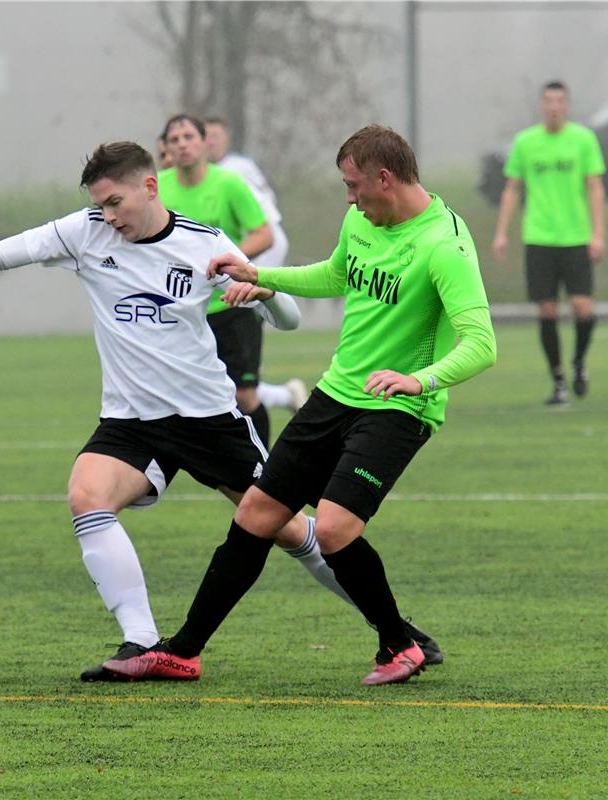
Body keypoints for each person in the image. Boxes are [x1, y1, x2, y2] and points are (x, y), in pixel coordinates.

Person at [0, 141, 413, 680]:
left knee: (286, 529)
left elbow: (291, 319)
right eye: (100, 206)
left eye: (115, 202)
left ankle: (395, 631)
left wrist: (264, 294)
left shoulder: (203, 244)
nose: (108, 216)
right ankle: (138, 640)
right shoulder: (84, 232)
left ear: (150, 186)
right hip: (131, 423)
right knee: (86, 495)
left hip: (210, 420)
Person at [144, 124, 497, 686]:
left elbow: (482, 343)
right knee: (256, 514)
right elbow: (334, 274)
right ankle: (182, 650)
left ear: (386, 178)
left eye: (354, 185)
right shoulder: (361, 219)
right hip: (335, 394)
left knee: (331, 528)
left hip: (395, 408)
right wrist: (260, 274)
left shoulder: (444, 244)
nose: (349, 198)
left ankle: (398, 646)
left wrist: (420, 381)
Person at [158, 114, 296, 444]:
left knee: (245, 396)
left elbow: (265, 234)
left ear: (204, 143)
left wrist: (229, 260)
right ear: (166, 148)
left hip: (234, 305)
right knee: (185, 399)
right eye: (174, 140)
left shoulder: (229, 183)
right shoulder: (158, 188)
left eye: (188, 136)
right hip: (185, 311)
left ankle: (264, 468)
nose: (182, 144)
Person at [492, 80, 606, 406]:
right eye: (548, 101)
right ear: (542, 106)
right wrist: (502, 232)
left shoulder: (583, 140)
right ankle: (558, 381)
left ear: (567, 106)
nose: (554, 106)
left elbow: (595, 187)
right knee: (547, 309)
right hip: (539, 237)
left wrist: (598, 234)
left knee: (583, 308)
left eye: (560, 100)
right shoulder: (526, 142)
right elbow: (512, 188)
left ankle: (579, 363)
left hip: (575, 237)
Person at [205, 114, 309, 415]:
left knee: (240, 378)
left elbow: (266, 230)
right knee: (230, 377)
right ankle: (282, 394)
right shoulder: (233, 167)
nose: (210, 142)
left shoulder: (231, 171)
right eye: (206, 136)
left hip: (261, 252)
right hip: (255, 252)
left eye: (215, 136)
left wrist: (243, 266)